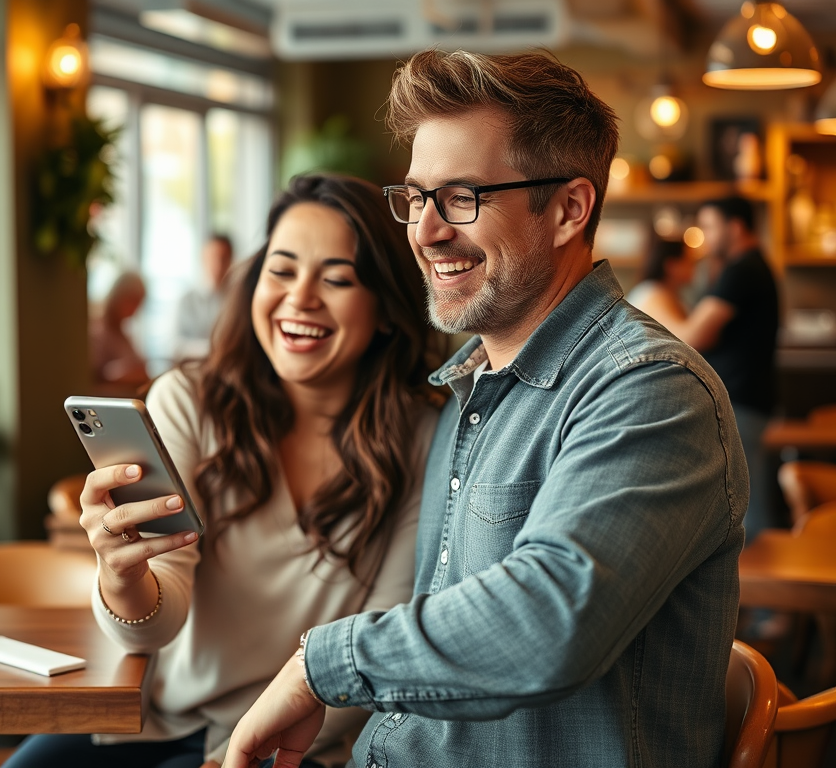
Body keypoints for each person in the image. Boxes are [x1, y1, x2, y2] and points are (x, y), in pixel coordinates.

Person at [223, 50, 748, 768]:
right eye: (415, 198)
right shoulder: (469, 391)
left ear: (569, 209)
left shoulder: (649, 391)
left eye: (462, 197)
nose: (425, 231)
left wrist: (321, 666)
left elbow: (549, 621)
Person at [4, 174, 442, 768]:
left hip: (298, 738)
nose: (301, 298)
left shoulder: (423, 438)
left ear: (387, 310)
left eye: (336, 279)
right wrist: (121, 577)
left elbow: (377, 641)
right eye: (282, 270)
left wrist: (247, 744)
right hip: (149, 719)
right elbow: (154, 626)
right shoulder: (189, 402)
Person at [672, 195, 779, 543]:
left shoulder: (743, 270)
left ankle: (767, 597)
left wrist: (644, 310)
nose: (704, 235)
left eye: (710, 226)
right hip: (749, 401)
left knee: (750, 513)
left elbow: (693, 335)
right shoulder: (747, 267)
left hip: (742, 403)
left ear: (735, 227)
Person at [172, 233, 234, 361]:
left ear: (231, 260)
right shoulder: (186, 300)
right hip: (193, 370)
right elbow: (176, 345)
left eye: (223, 258)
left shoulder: (236, 299)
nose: (218, 264)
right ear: (203, 258)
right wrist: (212, 348)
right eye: (213, 257)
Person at [90, 270, 151, 389]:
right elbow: (95, 375)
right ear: (119, 296)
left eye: (138, 304)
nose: (134, 310)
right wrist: (121, 373)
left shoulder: (124, 335)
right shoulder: (97, 332)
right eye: (132, 302)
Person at [625, 234, 696, 332]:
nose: (694, 267)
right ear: (671, 266)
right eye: (689, 262)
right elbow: (683, 336)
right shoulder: (653, 293)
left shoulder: (668, 293)